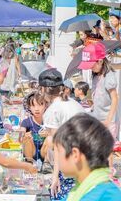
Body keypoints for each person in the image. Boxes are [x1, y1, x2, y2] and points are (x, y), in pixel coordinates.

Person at [39, 68, 85, 200]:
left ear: (42, 89)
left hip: (71, 163)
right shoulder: (73, 103)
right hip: (87, 161)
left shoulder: (53, 110)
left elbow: (58, 146)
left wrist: (55, 177)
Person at [54, 113, 121, 201]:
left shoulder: (108, 196)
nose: (57, 158)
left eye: (59, 151)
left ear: (75, 154)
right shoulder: (79, 190)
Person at [78, 42, 118, 138]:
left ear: (100, 61)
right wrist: (92, 103)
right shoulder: (96, 77)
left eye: (92, 66)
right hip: (97, 118)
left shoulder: (108, 76)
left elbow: (115, 99)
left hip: (108, 121)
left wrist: (108, 120)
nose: (91, 69)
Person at [20, 91, 48, 162]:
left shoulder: (49, 121)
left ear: (45, 106)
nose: (36, 109)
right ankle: (29, 163)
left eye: (40, 105)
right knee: (26, 138)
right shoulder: (26, 122)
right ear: (29, 107)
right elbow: (20, 137)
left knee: (50, 139)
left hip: (44, 152)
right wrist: (24, 135)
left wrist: (49, 134)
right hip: (31, 152)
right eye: (33, 105)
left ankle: (47, 163)